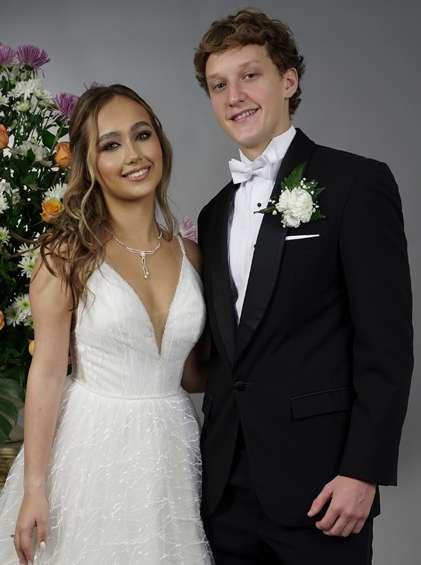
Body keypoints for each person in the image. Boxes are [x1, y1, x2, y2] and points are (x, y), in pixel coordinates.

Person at [194, 8, 413, 564]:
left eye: (250, 75)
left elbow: (386, 344)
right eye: (219, 85)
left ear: (288, 80)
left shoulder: (356, 183)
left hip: (323, 488)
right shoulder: (214, 215)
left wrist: (363, 470)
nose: (235, 96)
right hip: (226, 491)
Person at [0, 84, 213, 565]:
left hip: (172, 445)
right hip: (91, 445)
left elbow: (193, 374)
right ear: (90, 163)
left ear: (160, 142)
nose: (134, 155)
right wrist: (34, 487)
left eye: (143, 135)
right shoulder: (66, 256)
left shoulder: (192, 256)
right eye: (111, 144)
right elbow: (47, 372)